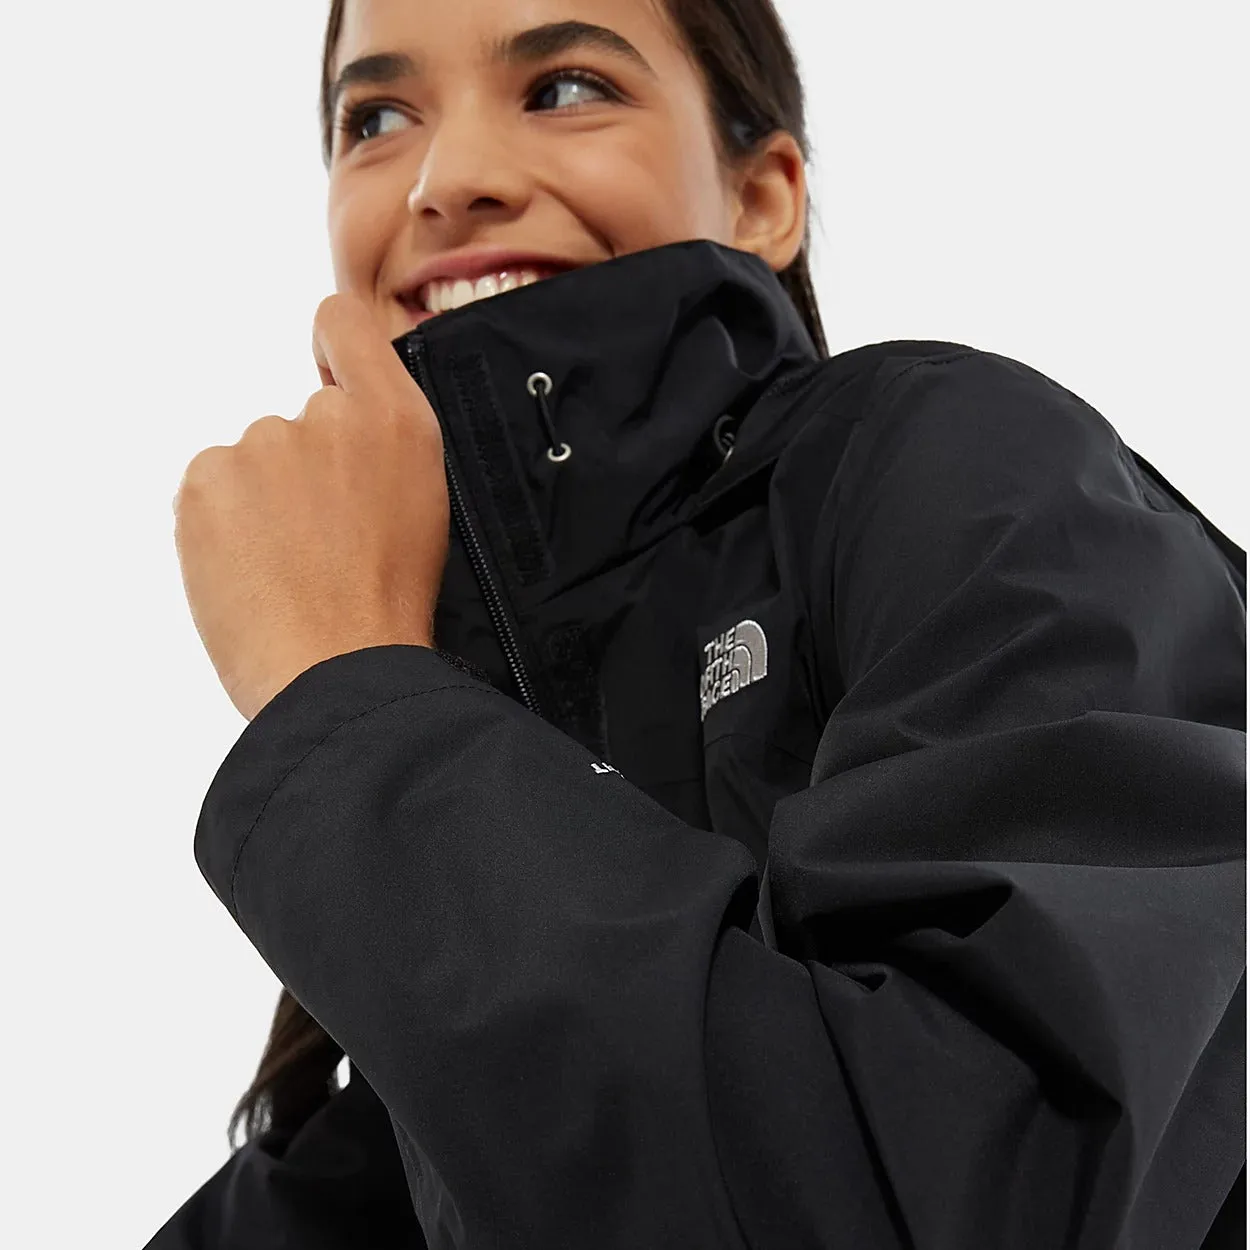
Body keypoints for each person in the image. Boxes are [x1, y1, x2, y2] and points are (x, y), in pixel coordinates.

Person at [148, 0, 1246, 1246]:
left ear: (762, 196)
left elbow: (960, 1188)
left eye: (565, 87)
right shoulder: (462, 822)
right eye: (375, 118)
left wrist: (343, 686)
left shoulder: (964, 468)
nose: (443, 180)